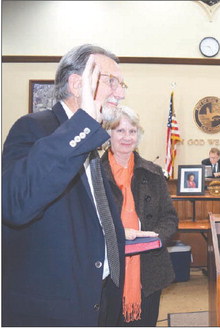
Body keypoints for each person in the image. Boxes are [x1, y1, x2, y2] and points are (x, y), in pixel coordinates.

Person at [2, 44, 128, 326]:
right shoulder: (33, 128)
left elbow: (86, 211)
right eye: (112, 82)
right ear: (76, 84)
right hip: (53, 309)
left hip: (99, 297)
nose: (120, 94)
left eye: (122, 85)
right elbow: (15, 203)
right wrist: (82, 125)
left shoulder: (92, 139)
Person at [101, 105, 179, 326]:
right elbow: (86, 223)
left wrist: (154, 238)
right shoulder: (94, 174)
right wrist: (117, 234)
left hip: (149, 268)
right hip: (109, 269)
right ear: (109, 134)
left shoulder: (153, 173)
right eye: (120, 131)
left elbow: (170, 218)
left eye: (132, 131)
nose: (127, 137)